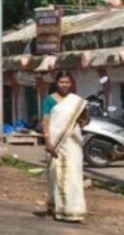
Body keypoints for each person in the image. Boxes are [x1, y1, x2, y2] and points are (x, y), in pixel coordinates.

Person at [42, 70, 89, 223]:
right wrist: (47, 141)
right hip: (56, 143)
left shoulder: (76, 101)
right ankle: (60, 208)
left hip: (73, 143)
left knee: (73, 175)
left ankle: (74, 209)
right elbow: (46, 121)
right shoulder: (49, 100)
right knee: (57, 174)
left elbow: (84, 121)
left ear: (71, 83)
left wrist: (82, 119)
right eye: (62, 82)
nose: (64, 85)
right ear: (56, 83)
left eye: (67, 82)